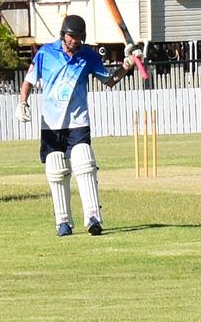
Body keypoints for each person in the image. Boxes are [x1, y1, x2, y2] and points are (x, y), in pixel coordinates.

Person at [17, 15, 142, 236]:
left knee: (85, 163)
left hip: (78, 121)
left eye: (78, 37)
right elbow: (29, 80)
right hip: (51, 123)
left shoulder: (88, 56)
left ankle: (93, 217)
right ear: (63, 34)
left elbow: (110, 80)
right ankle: (63, 221)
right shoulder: (45, 53)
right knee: (56, 170)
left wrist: (128, 63)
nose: (74, 40)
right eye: (71, 36)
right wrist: (22, 102)